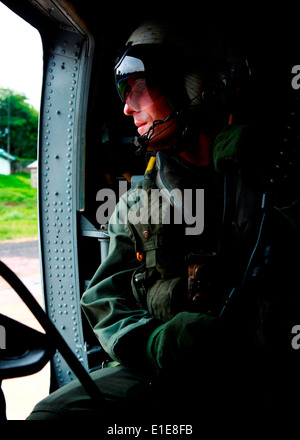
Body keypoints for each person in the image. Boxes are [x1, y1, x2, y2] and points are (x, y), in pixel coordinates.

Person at [27, 20, 299, 422]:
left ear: (194, 85)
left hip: (268, 374)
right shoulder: (141, 202)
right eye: (123, 91)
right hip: (171, 374)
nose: (126, 107)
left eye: (137, 87)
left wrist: (279, 179)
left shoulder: (271, 165)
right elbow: (104, 301)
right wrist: (154, 342)